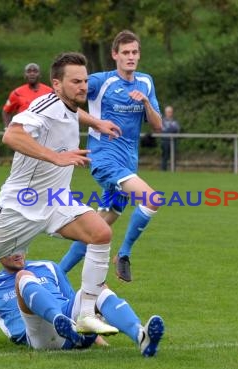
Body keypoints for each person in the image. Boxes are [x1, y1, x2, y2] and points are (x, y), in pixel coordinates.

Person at [0, 52, 122, 336]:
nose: (83, 86)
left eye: (84, 81)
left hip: (57, 200)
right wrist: (54, 157)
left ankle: (85, 314)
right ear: (56, 84)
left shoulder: (67, 104)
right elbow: (12, 135)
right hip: (22, 205)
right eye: (75, 81)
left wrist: (96, 123)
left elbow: (71, 113)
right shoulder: (43, 105)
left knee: (101, 233)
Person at [0, 253, 165, 357]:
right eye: (12, 248)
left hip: (72, 327)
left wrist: (100, 342)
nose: (19, 252)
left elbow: (78, 301)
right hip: (39, 337)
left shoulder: (48, 267)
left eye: (22, 246)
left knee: (98, 289)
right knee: (23, 279)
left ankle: (140, 336)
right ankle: (61, 322)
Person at [59, 30, 163, 282]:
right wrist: (96, 122)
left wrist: (146, 103)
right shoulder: (99, 81)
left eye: (134, 52)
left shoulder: (145, 82)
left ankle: (57, 273)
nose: (130, 57)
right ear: (114, 55)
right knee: (152, 199)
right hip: (104, 159)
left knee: (99, 229)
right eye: (125, 52)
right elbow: (63, 99)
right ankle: (124, 254)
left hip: (128, 162)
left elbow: (158, 125)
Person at [2, 63, 53, 128]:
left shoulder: (50, 92)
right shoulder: (17, 93)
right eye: (29, 71)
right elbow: (6, 111)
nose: (32, 74)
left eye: (35, 71)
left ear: (40, 74)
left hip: (45, 131)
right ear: (24, 75)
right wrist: (8, 128)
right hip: (24, 132)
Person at [160, 105, 180, 171]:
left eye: (170, 112)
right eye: (168, 112)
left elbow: (177, 129)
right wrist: (170, 129)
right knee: (164, 157)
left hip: (173, 141)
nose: (169, 113)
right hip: (165, 141)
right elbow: (163, 130)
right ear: (165, 112)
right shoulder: (162, 121)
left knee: (173, 157)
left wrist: (169, 129)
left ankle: (173, 170)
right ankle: (163, 170)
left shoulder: (175, 121)